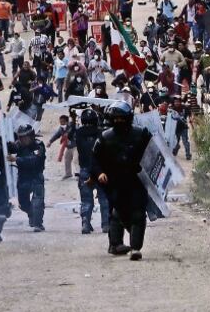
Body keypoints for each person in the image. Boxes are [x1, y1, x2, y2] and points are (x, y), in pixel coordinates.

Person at [89, 100, 152, 260]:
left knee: (138, 214)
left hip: (136, 180)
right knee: (118, 213)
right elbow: (94, 159)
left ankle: (136, 248)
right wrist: (99, 173)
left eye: (121, 118)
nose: (118, 121)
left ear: (129, 117)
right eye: (115, 118)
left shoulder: (141, 134)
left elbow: (154, 151)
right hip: (114, 183)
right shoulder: (104, 137)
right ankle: (115, 244)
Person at [75, 108, 109, 234]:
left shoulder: (78, 133)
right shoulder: (102, 133)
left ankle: (85, 222)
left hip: (85, 170)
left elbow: (70, 138)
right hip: (100, 170)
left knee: (86, 200)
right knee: (104, 198)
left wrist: (73, 120)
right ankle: (106, 224)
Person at [10, 124, 46, 232]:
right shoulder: (18, 144)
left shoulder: (39, 145)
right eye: (20, 137)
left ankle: (38, 223)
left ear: (31, 136)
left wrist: (16, 159)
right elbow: (10, 147)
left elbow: (34, 161)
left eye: (25, 137)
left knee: (37, 202)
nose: (23, 140)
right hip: (23, 177)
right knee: (23, 204)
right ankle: (32, 214)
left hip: (36, 176)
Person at [47, 114, 76, 179]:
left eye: (63, 122)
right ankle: (68, 174)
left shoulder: (73, 126)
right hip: (68, 147)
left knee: (76, 160)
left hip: (75, 146)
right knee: (67, 159)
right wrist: (50, 142)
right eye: (60, 122)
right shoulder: (61, 129)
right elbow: (56, 135)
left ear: (67, 122)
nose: (61, 123)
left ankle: (79, 174)